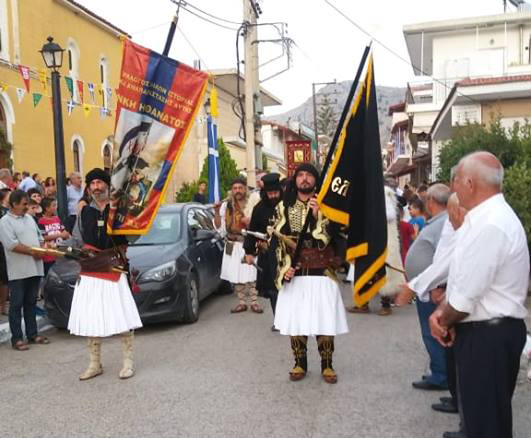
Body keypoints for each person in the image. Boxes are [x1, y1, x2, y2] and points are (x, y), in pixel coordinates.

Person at [429, 152, 529, 438]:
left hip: (488, 337)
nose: (453, 187)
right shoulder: (483, 219)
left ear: (470, 183)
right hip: (484, 333)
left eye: (456, 180)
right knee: (480, 420)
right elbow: (463, 281)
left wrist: (441, 320)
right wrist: (444, 313)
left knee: (486, 426)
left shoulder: (491, 225)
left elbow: (465, 297)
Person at [272, 163, 348, 384]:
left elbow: (337, 235)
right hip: (296, 273)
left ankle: (327, 365)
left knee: (324, 320)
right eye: (300, 175)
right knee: (297, 321)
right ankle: (300, 363)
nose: (304, 179)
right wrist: (284, 267)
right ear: (295, 180)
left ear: (316, 180)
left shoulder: (328, 206)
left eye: (309, 175)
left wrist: (318, 216)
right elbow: (276, 243)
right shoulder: (282, 207)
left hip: (322, 271)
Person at [67, 168, 142, 380]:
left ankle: (128, 362)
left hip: (114, 267)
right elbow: (77, 239)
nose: (96, 187)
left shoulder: (119, 207)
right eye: (92, 184)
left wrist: (124, 214)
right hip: (91, 268)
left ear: (107, 185)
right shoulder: (84, 211)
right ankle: (94, 364)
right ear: (88, 188)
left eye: (100, 183)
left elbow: (134, 236)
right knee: (91, 316)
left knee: (122, 315)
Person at [404, 184, 451, 391]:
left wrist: (438, 285)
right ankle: (439, 371)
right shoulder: (440, 222)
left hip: (432, 290)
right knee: (430, 331)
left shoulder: (444, 224)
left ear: (431, 202)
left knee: (434, 332)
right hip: (426, 288)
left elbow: (444, 260)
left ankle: (441, 375)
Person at [0, 190, 49, 350]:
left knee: (30, 302)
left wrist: (43, 247)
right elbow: (11, 244)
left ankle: (32, 334)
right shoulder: (5, 222)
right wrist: (32, 251)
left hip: (35, 267)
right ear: (14, 204)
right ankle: (17, 339)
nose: (27, 207)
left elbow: (39, 237)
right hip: (18, 270)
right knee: (16, 304)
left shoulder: (29, 218)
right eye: (24, 204)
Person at [214, 177, 261, 313]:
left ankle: (254, 302)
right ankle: (242, 302)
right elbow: (219, 228)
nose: (237, 191)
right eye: (235, 188)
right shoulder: (226, 206)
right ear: (231, 191)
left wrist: (250, 222)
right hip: (233, 244)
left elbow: (261, 223)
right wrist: (216, 212)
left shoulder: (252, 204)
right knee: (236, 275)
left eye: (240, 188)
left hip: (248, 243)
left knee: (251, 274)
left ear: (245, 189)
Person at [243, 173, 283, 330]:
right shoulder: (259, 209)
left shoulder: (288, 204)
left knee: (289, 288)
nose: (273, 196)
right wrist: (249, 252)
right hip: (268, 255)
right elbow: (251, 231)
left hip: (288, 254)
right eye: (270, 193)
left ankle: (292, 317)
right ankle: (278, 320)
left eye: (275, 193)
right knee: (273, 290)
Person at [38, 197, 70, 276]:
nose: (56, 207)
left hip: (60, 252)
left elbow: (63, 230)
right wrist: (59, 235)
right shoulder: (41, 221)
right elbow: (43, 237)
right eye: (54, 205)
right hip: (48, 254)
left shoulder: (56, 218)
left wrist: (66, 234)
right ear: (47, 208)